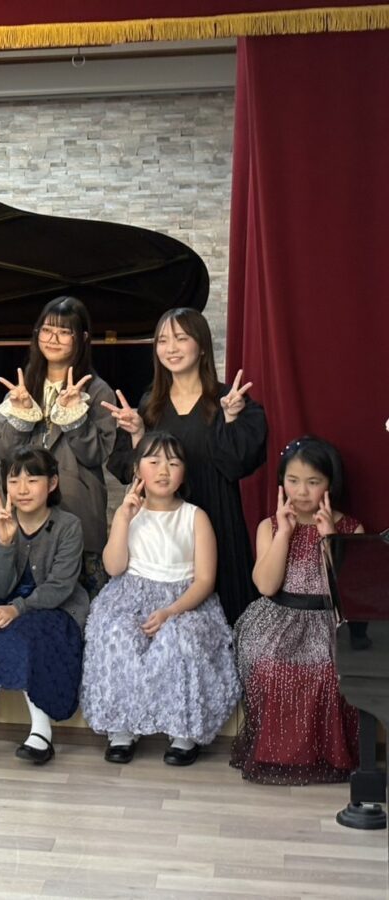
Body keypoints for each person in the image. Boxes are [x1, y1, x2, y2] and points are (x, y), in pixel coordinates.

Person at [81, 432, 240, 765]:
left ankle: (183, 732)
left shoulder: (195, 516)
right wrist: (122, 518)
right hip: (130, 595)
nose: (163, 470)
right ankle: (121, 729)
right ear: (137, 469)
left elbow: (205, 580)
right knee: (115, 633)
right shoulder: (130, 513)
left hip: (183, 600)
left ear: (184, 472)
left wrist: (170, 611)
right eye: (153, 461)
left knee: (180, 638)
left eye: (173, 463)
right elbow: (114, 567)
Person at [104, 308, 266, 623]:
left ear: (202, 345)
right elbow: (133, 471)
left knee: (226, 616)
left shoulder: (228, 399)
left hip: (218, 513)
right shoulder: (150, 404)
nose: (171, 348)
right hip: (164, 530)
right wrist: (138, 433)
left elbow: (240, 464)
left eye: (181, 338)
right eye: (163, 340)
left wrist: (231, 419)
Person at [231, 437, 363, 784]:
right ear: (282, 482)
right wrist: (284, 534)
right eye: (293, 480)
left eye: (313, 481)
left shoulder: (351, 528)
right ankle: (274, 754)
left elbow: (347, 594)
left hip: (329, 621)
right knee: (269, 666)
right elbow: (266, 585)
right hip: (280, 617)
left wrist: (329, 538)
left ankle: (328, 757)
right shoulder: (269, 526)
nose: (302, 491)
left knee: (331, 672)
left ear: (330, 483)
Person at [0, 449, 88, 766]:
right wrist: (4, 543)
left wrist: (18, 608)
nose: (22, 489)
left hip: (54, 607)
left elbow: (60, 586)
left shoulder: (69, 525)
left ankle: (41, 733)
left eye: (32, 480)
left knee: (33, 638)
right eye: (14, 481)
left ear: (52, 483)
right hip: (3, 600)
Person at [0, 297, 117, 596]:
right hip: (26, 512)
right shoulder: (23, 387)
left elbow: (97, 454)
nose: (53, 339)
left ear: (82, 338)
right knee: (25, 597)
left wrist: (76, 418)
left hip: (77, 505)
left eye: (64, 332)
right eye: (47, 330)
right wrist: (21, 415)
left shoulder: (98, 390)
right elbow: (4, 452)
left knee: (79, 600)